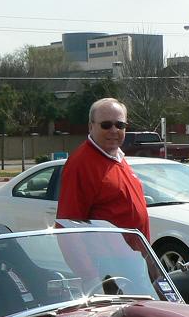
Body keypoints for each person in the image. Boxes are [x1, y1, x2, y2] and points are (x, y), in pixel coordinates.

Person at [56, 97, 150, 240]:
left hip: (133, 259)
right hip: (104, 260)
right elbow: (68, 228)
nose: (114, 130)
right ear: (91, 126)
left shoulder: (117, 158)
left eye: (120, 125)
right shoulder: (81, 164)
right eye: (106, 125)